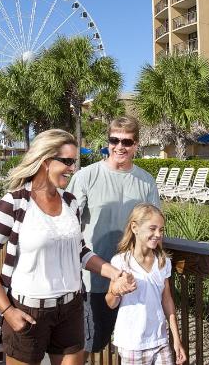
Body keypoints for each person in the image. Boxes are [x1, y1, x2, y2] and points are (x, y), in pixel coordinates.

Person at [0, 129, 136, 365]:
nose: (73, 168)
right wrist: (8, 310)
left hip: (71, 309)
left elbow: (79, 252)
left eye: (75, 162)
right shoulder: (14, 203)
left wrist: (114, 273)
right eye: (67, 161)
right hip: (28, 312)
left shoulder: (70, 202)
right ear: (45, 161)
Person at [66, 116, 160, 353]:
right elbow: (67, 226)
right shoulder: (85, 177)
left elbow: (155, 230)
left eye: (127, 142)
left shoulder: (146, 182)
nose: (120, 146)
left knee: (131, 347)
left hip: (133, 283)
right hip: (93, 280)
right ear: (108, 141)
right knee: (88, 346)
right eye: (114, 140)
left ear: (136, 144)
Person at [105, 204, 186, 365]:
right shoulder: (120, 262)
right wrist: (117, 291)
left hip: (159, 340)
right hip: (132, 344)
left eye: (161, 230)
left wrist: (176, 339)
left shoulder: (163, 262)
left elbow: (167, 301)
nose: (158, 234)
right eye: (153, 228)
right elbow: (110, 303)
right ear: (135, 227)